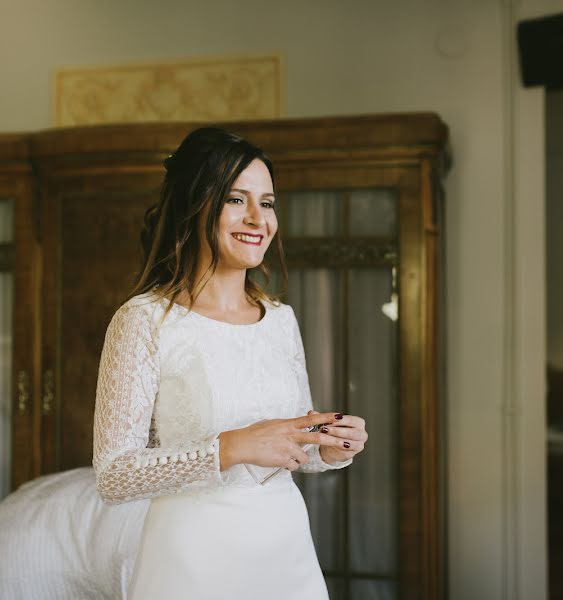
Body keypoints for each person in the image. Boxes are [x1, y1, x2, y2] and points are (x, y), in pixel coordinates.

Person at [92, 127, 369, 599]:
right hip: (191, 562)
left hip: (285, 554)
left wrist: (329, 448)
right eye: (236, 200)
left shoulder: (281, 321)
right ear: (195, 205)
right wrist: (232, 446)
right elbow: (114, 474)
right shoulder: (144, 321)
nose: (258, 218)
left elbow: (293, 446)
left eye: (269, 202)